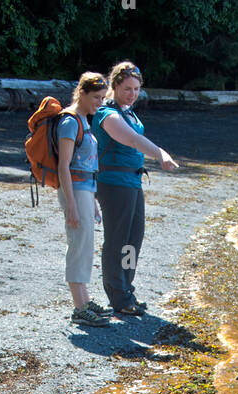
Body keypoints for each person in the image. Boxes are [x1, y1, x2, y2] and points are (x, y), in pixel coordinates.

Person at [92, 62, 178, 317]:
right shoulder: (107, 113)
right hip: (113, 184)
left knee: (133, 240)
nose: (132, 94)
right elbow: (130, 139)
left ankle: (127, 289)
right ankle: (118, 297)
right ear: (115, 86)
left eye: (136, 89)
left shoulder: (129, 112)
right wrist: (159, 153)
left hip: (132, 182)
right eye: (127, 88)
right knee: (118, 241)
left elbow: (134, 136)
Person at [56, 72, 108, 327]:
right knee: (79, 244)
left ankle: (85, 301)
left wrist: (93, 199)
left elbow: (86, 164)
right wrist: (72, 206)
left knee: (86, 243)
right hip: (74, 190)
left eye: (102, 98)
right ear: (82, 93)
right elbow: (63, 166)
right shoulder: (69, 122)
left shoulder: (84, 121)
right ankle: (79, 307)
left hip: (85, 188)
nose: (100, 102)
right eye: (96, 97)